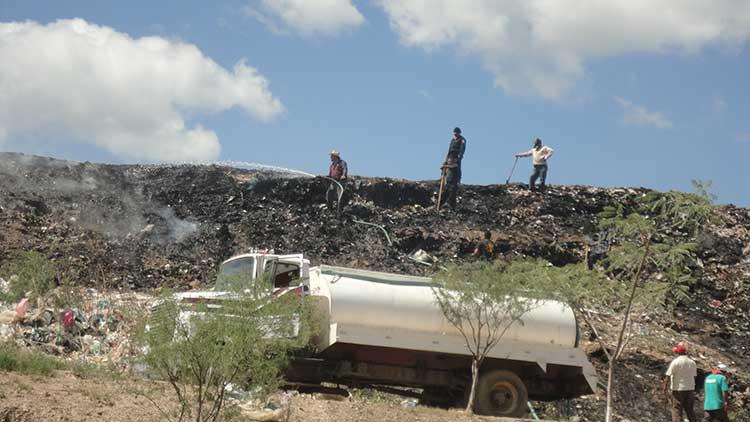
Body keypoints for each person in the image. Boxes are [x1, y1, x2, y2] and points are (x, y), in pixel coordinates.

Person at [663, 342, 698, 422]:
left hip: (678, 390)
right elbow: (694, 376)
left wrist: (664, 388)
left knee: (677, 410)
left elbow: (668, 376)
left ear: (678, 352)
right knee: (689, 410)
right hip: (690, 389)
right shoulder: (692, 362)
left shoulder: (675, 362)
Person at [440, 127, 466, 208]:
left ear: (459, 133)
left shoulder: (462, 140)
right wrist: (446, 160)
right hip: (450, 157)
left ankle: (457, 180)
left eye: (456, 133)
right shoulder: (452, 140)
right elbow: (449, 150)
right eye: (454, 133)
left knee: (455, 170)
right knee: (448, 171)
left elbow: (462, 150)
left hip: (456, 157)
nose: (455, 134)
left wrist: (458, 158)